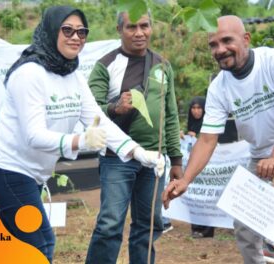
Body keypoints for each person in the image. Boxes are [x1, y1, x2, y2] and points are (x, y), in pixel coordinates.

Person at [0, 6, 162, 263]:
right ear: (52, 31)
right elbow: (34, 135)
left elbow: (99, 120)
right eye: (67, 30)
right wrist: (80, 141)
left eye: (82, 31)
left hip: (30, 174)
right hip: (4, 170)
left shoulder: (72, 75)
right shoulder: (29, 74)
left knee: (23, 245)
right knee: (39, 241)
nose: (76, 37)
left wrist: (136, 151)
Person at [163, 16, 274, 264]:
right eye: (213, 45)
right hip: (260, 154)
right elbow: (206, 139)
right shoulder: (219, 87)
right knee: (244, 220)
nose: (220, 50)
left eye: (227, 40)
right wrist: (185, 179)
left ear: (246, 39)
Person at [85, 11, 183, 264]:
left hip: (155, 161)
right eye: (131, 27)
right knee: (110, 224)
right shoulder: (105, 65)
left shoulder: (163, 65)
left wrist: (177, 160)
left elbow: (170, 115)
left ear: (151, 28)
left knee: (149, 225)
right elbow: (89, 111)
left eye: (144, 26)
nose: (139, 33)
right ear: (119, 30)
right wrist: (115, 108)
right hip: (117, 158)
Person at [185, 96, 216, 238]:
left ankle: (208, 229)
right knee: (195, 194)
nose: (196, 111)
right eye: (193, 108)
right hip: (194, 167)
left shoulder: (209, 123)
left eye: (199, 108)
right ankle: (196, 227)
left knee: (207, 194)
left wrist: (196, 135)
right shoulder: (191, 124)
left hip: (209, 166)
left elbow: (209, 142)